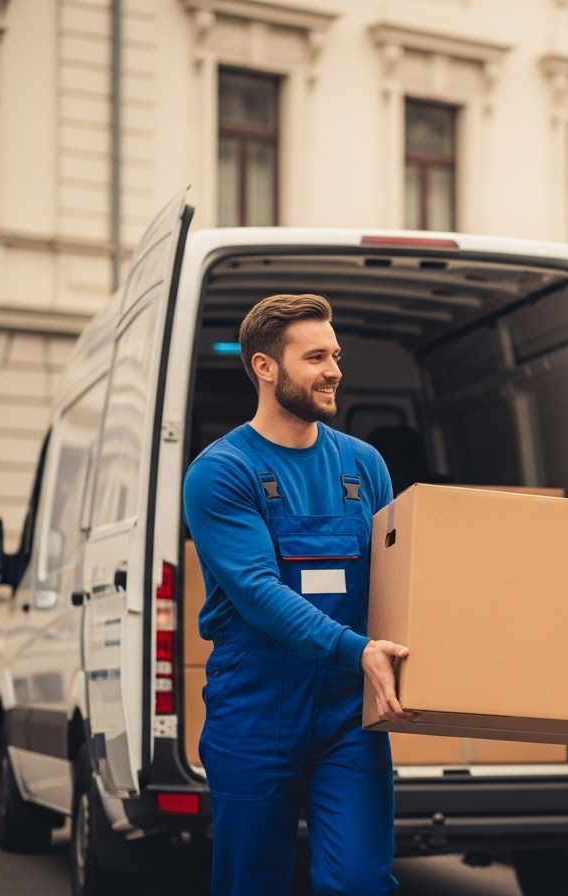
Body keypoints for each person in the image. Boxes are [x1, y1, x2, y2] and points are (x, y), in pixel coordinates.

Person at [184, 293, 415, 896]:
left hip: (347, 714)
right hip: (256, 710)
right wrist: (356, 648)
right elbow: (258, 592)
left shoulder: (363, 466)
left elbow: (396, 584)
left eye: (335, 355)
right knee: (251, 883)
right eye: (316, 357)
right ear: (265, 367)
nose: (335, 370)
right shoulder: (222, 471)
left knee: (362, 882)